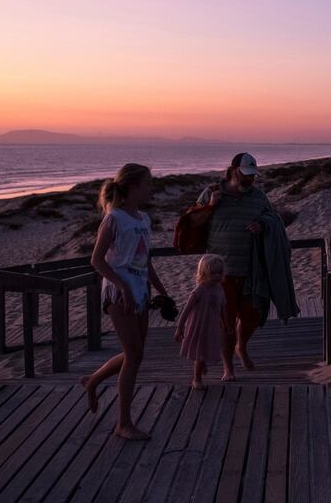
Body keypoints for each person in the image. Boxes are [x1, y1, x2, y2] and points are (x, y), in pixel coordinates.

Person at [188, 152, 300, 380]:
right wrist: (210, 207)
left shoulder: (258, 197)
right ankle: (228, 367)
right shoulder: (212, 193)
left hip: (252, 271)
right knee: (226, 322)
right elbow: (190, 221)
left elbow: (274, 219)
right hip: (221, 274)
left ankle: (242, 345)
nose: (250, 180)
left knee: (253, 317)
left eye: (253, 175)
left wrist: (263, 224)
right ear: (233, 171)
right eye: (246, 174)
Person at [80, 163, 167, 440]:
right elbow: (96, 260)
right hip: (119, 295)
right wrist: (121, 286)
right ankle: (123, 423)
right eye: (147, 184)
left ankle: (93, 381)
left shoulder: (143, 219)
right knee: (134, 354)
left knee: (136, 353)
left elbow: (145, 259)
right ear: (132, 187)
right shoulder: (114, 218)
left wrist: (161, 290)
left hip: (141, 292)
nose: (151, 188)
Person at [174, 254, 230, 389]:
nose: (217, 276)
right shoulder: (199, 291)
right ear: (204, 273)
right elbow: (186, 311)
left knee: (206, 350)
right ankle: (197, 380)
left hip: (212, 327)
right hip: (199, 327)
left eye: (219, 273)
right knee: (199, 355)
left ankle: (202, 365)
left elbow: (222, 308)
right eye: (213, 273)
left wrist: (226, 323)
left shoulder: (220, 290)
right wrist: (180, 327)